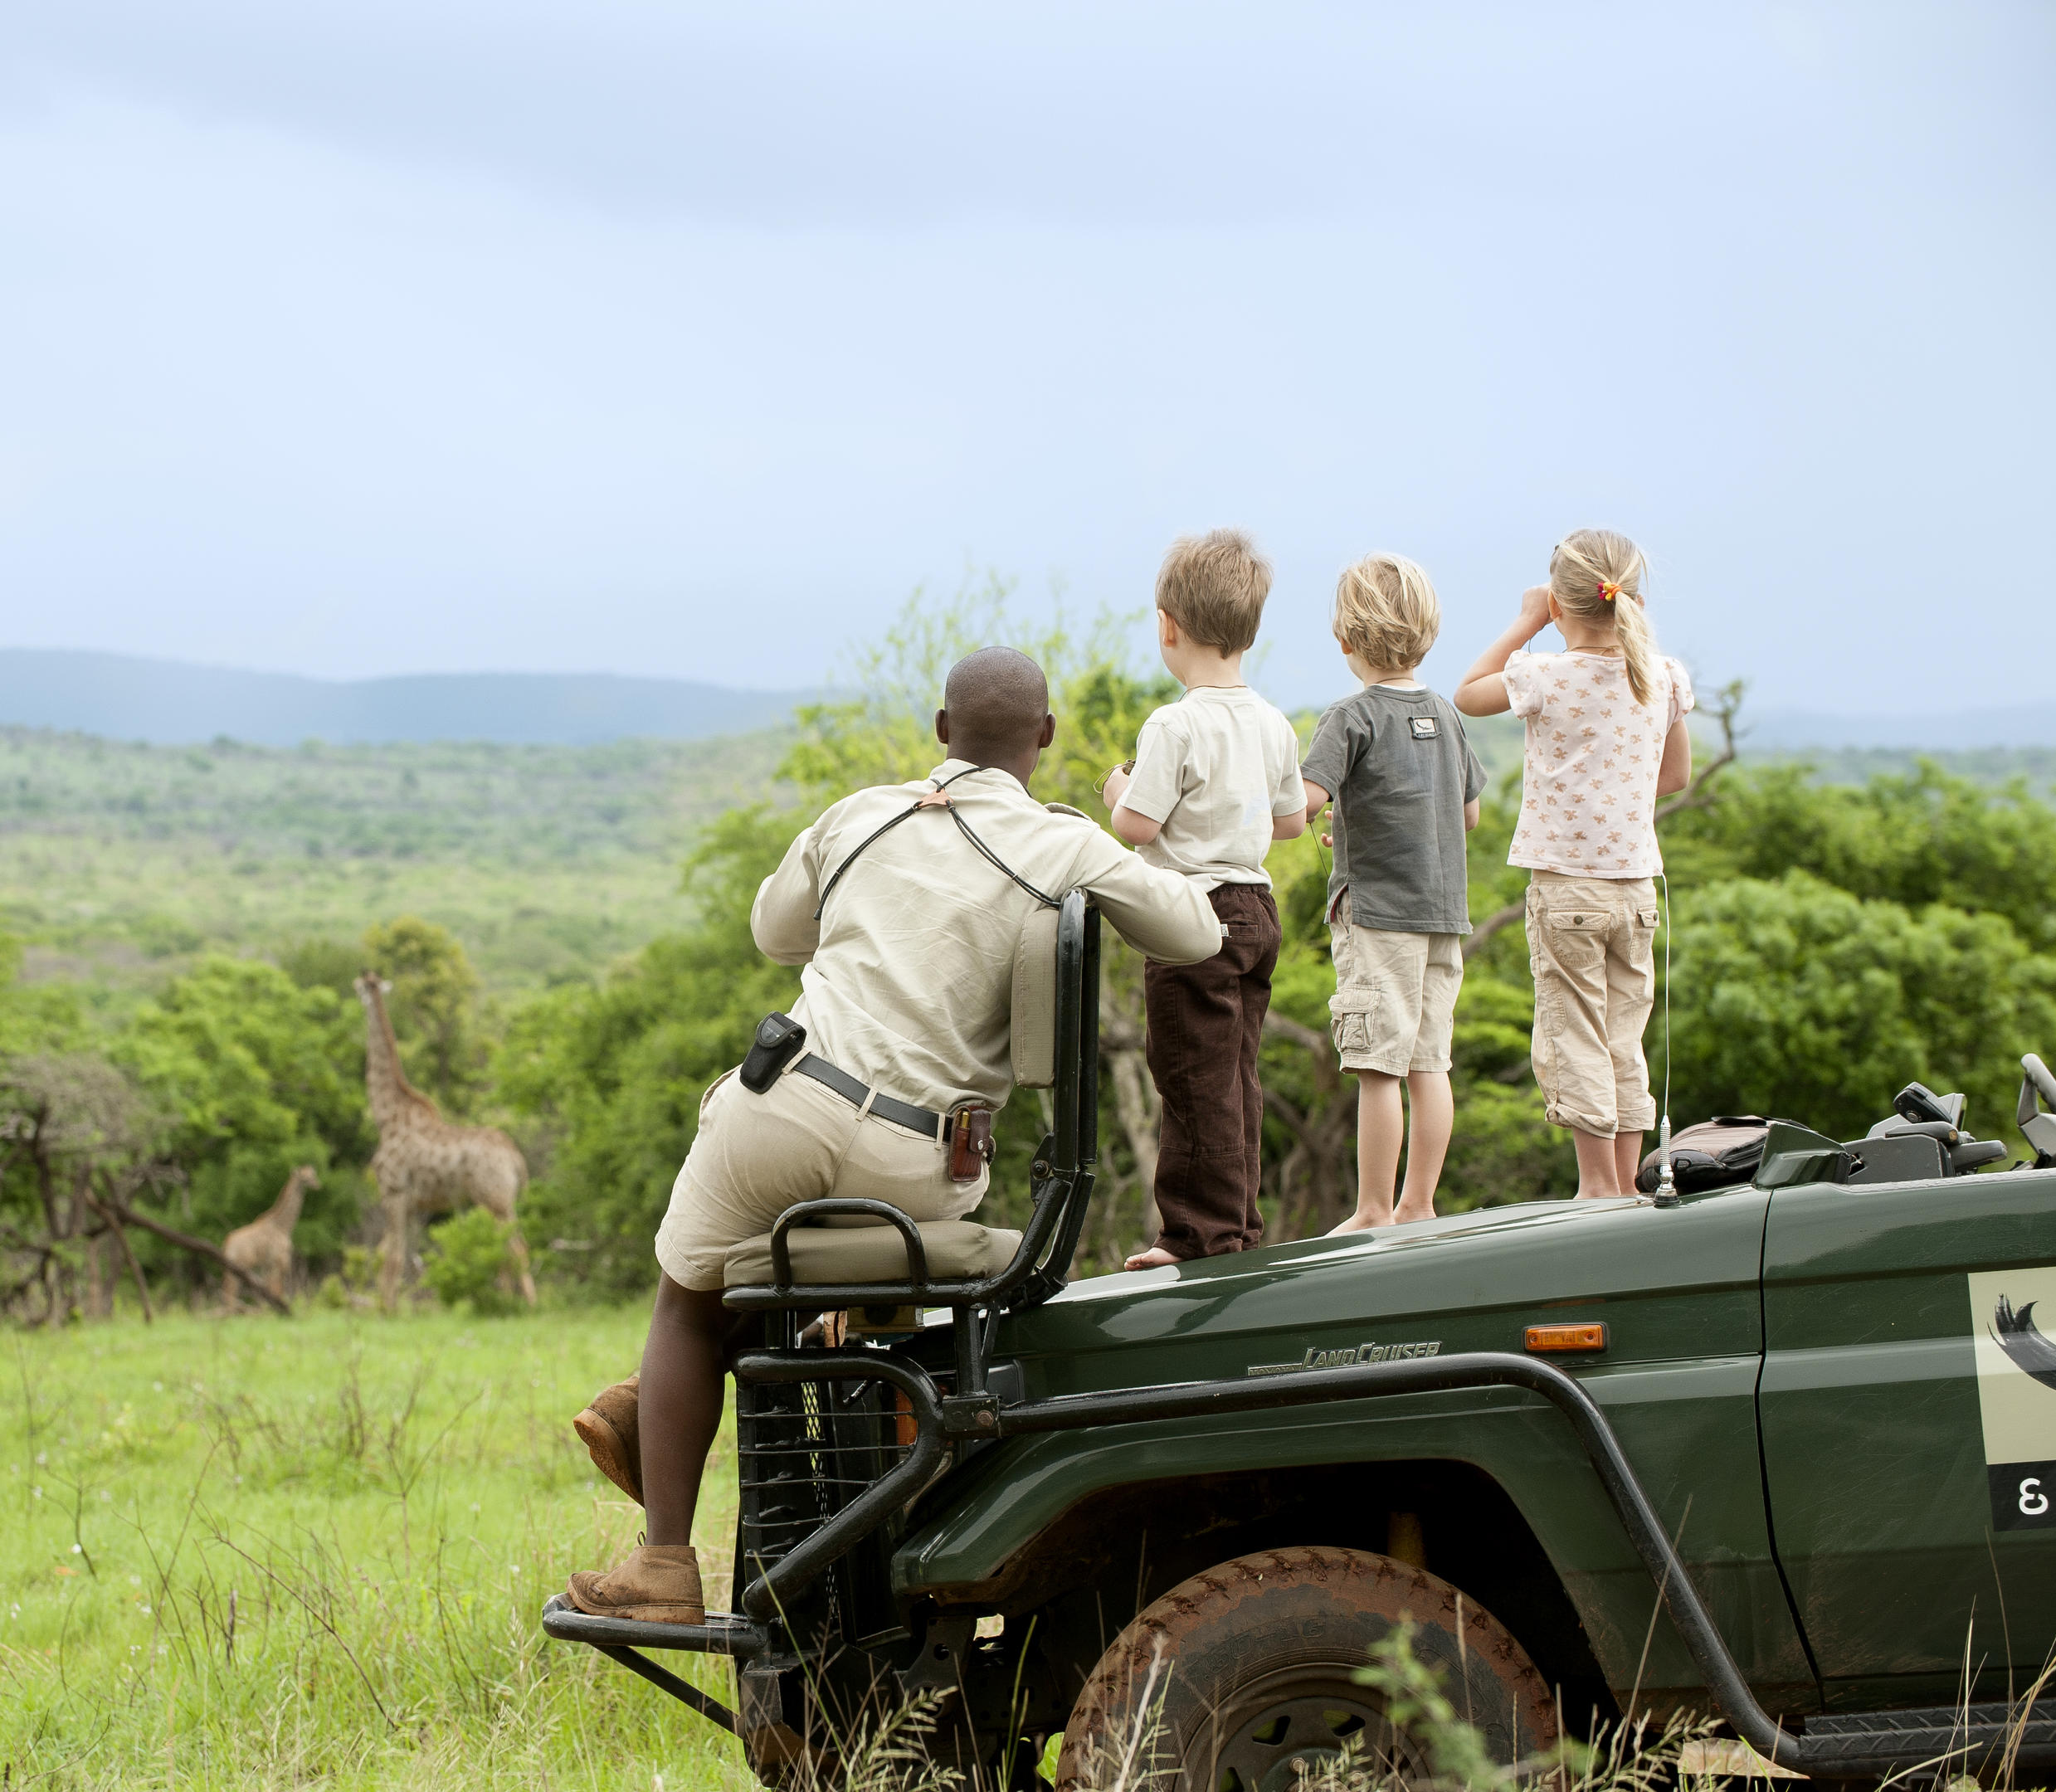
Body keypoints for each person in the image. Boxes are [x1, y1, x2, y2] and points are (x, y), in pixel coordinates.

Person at [564, 648, 1225, 1625]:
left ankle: (665, 1559)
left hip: (786, 1104)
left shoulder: (863, 814)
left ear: (940, 730)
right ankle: (680, 1408)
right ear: (1042, 739)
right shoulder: (1060, 843)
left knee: (687, 1299)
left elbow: (773, 933)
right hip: (925, 1160)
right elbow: (1198, 935)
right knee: (780, 1265)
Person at [1451, 528, 1694, 1200]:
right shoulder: (1665, 676)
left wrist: (1526, 622)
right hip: (1637, 887)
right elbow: (1673, 776)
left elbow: (1467, 694)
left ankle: (1595, 1188)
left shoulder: (1544, 674)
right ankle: (1624, 1184)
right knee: (1623, 1036)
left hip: (1567, 888)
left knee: (1576, 1030)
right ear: (1632, 600)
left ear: (1560, 606)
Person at [1099, 530, 1305, 1270]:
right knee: (1237, 1077)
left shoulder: (1174, 723)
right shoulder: (1272, 721)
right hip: (1257, 909)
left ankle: (1197, 1239)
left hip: (1194, 917)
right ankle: (1239, 1227)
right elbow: (1290, 823)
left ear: (1167, 625)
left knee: (1191, 1079)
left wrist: (1116, 787)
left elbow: (1136, 826)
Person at [1298, 553, 1486, 1233]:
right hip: (1443, 915)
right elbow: (1463, 813)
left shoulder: (1349, 717)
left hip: (1378, 915)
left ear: (1345, 639)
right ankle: (1418, 1204)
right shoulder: (1444, 712)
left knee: (1377, 1064)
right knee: (1429, 1063)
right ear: (1427, 633)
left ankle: (1373, 1209)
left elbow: (1304, 801)